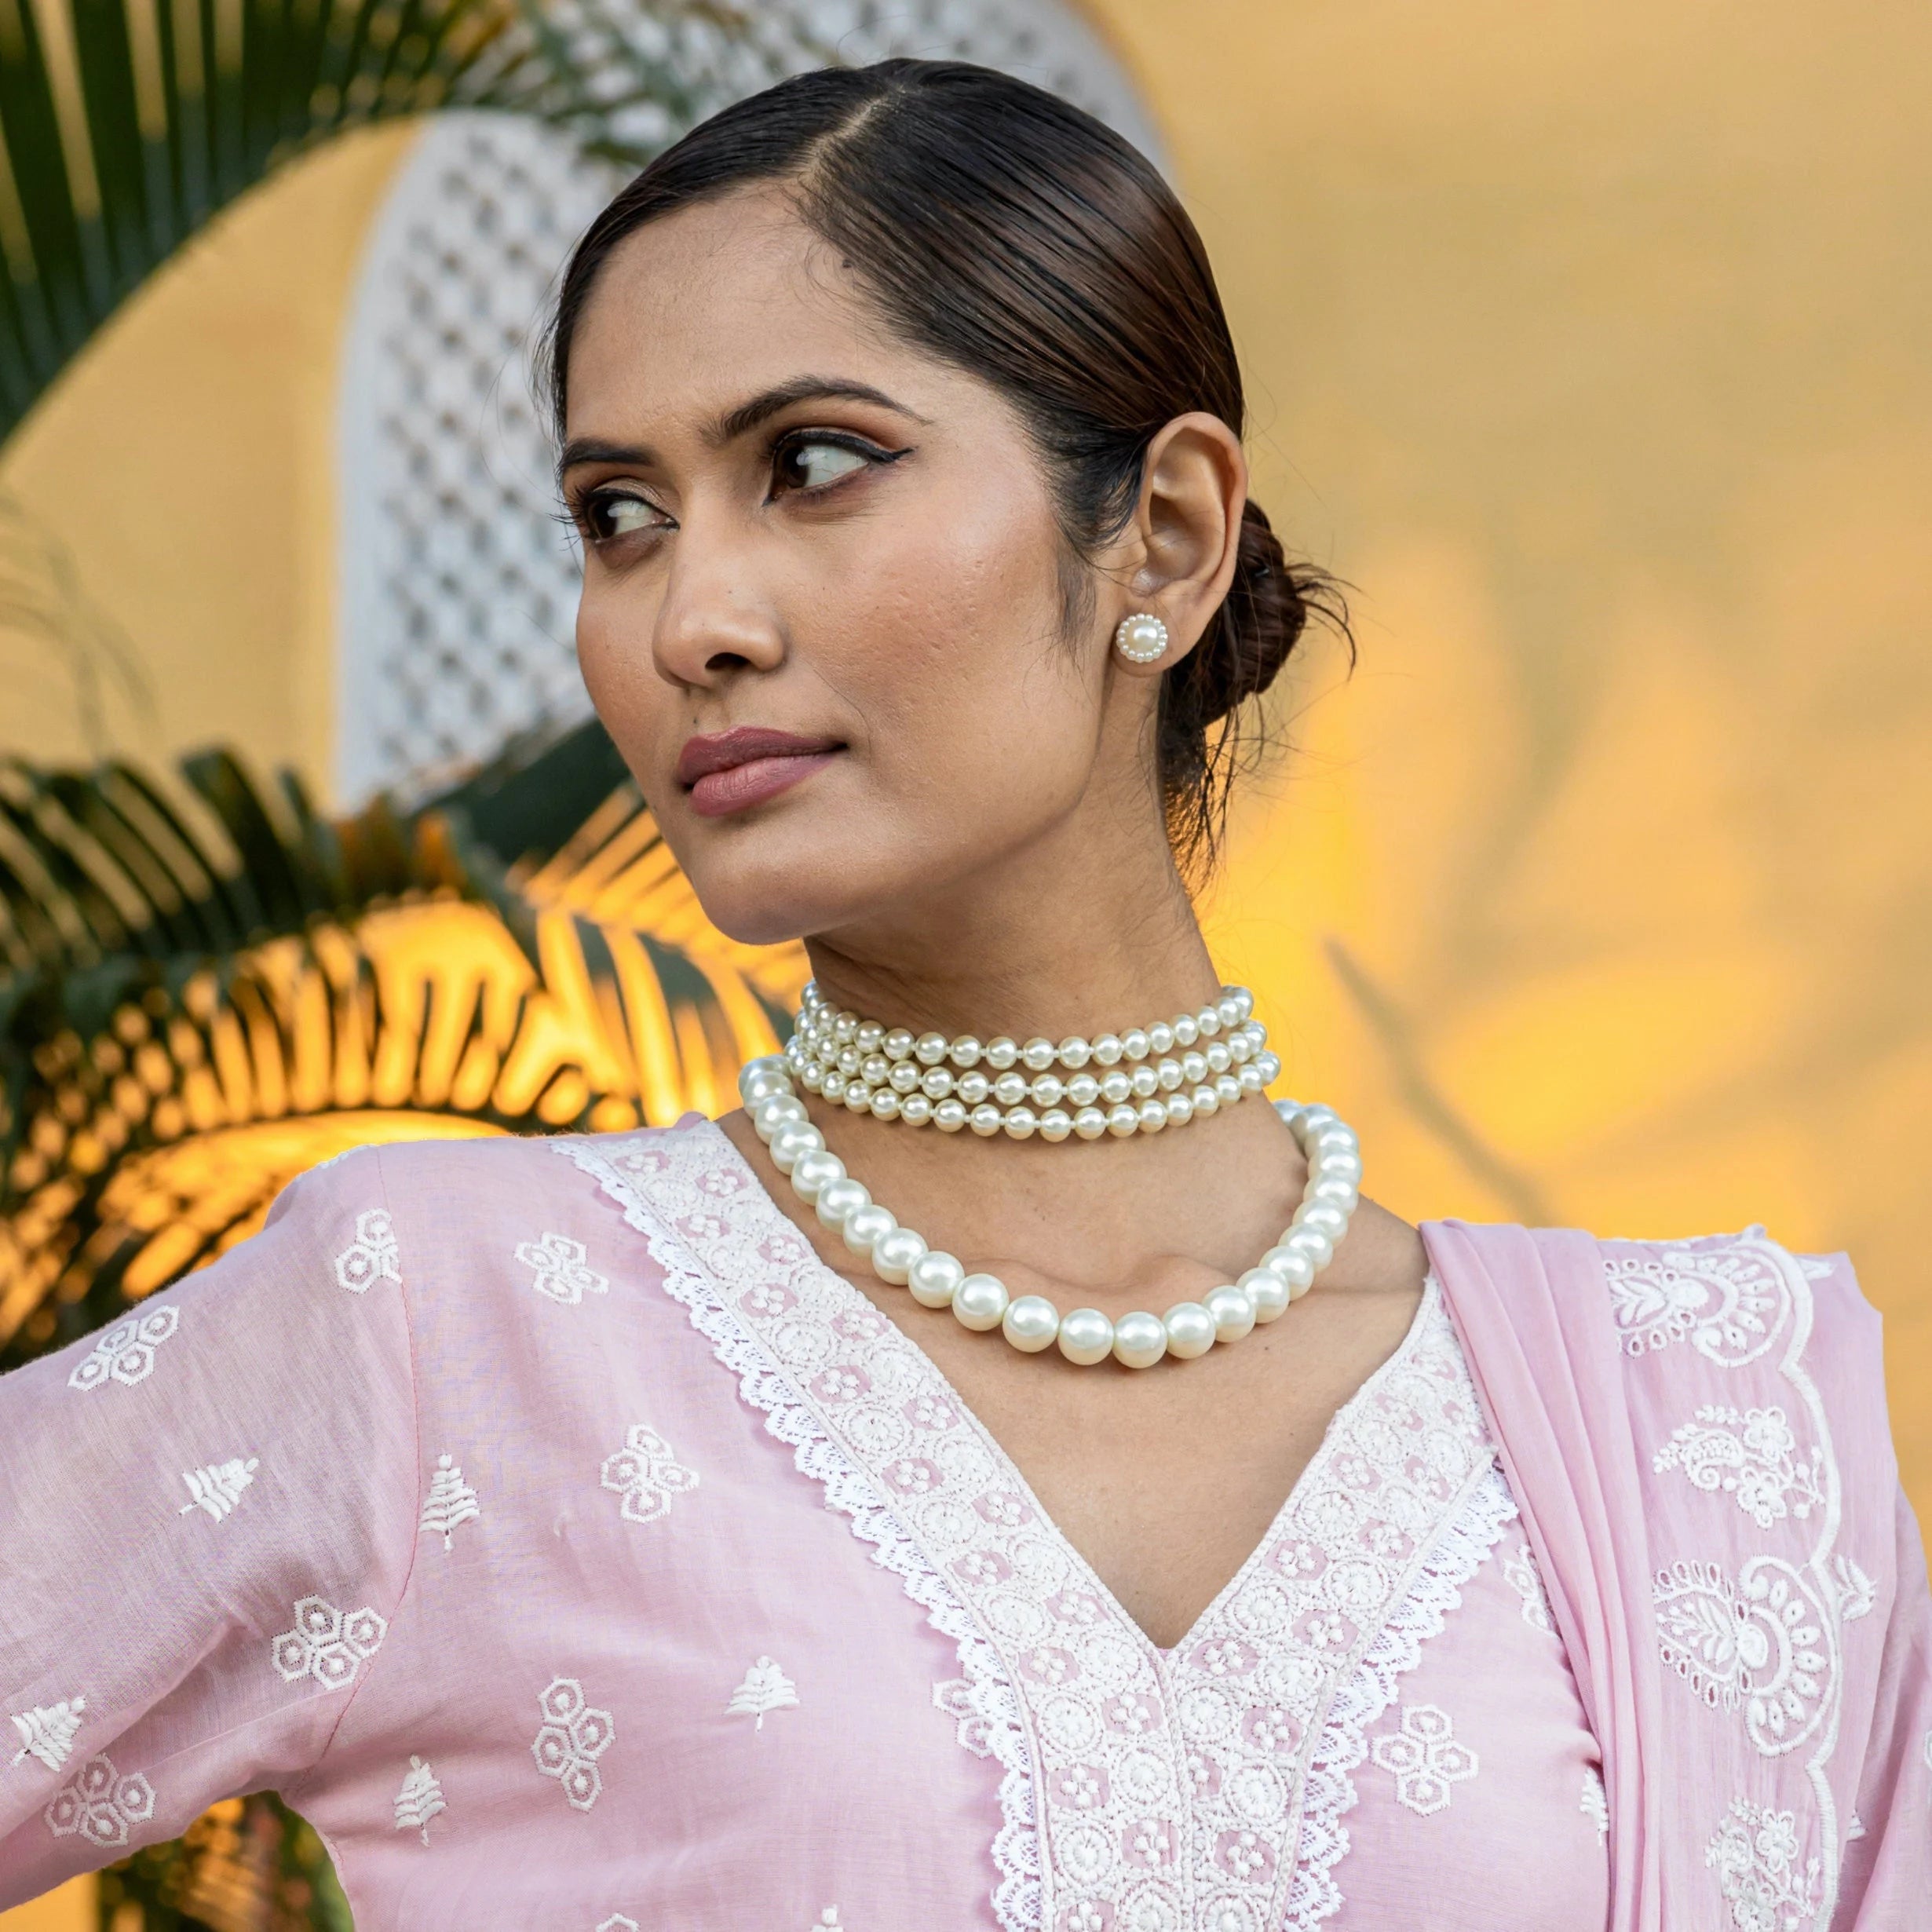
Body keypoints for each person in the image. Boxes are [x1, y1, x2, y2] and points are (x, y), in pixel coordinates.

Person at [2, 59, 1924, 1932]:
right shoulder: (444, 1323)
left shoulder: (1699, 1419)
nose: (691, 619)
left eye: (813, 466)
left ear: (1163, 532)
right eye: (618, 517)